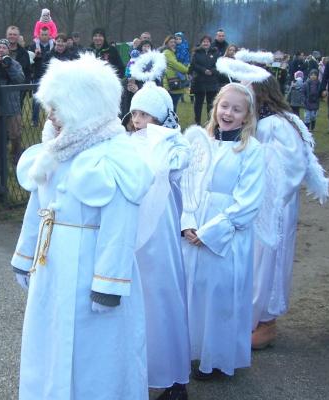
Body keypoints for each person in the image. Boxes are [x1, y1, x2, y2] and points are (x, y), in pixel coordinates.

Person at [11, 53, 153, 399]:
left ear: (84, 107)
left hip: (90, 268)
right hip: (52, 265)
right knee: (51, 337)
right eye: (51, 107)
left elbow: (120, 224)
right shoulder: (54, 150)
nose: (52, 116)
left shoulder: (113, 157)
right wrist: (24, 253)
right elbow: (39, 208)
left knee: (93, 349)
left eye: (60, 108)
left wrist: (108, 282)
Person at [180, 82, 264, 379]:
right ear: (215, 106)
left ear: (247, 116)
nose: (228, 113)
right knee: (193, 291)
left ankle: (216, 358)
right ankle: (192, 350)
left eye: (236, 109)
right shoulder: (200, 142)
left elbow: (247, 203)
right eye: (224, 106)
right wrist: (188, 222)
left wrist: (210, 232)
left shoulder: (252, 151)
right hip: (194, 231)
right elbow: (185, 183)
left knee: (219, 295)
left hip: (225, 237)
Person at [250, 75, 329, 350]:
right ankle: (251, 319)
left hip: (273, 207)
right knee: (255, 261)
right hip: (257, 205)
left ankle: (266, 323)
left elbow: (292, 165)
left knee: (269, 260)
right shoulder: (265, 121)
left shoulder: (276, 124)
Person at [127, 81, 191, 400]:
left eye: (145, 114)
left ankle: (172, 376)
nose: (138, 120)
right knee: (137, 303)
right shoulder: (128, 144)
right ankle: (137, 374)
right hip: (135, 235)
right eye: (134, 113)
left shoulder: (176, 147)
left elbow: (176, 171)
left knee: (162, 299)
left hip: (162, 237)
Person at [189, 35, 220, 125]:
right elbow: (194, 65)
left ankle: (210, 122)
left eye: (207, 42)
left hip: (212, 81)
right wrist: (204, 70)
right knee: (198, 103)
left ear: (210, 43)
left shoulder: (215, 52)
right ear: (201, 43)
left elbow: (218, 64)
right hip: (199, 81)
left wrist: (212, 71)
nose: (206, 43)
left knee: (211, 103)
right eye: (204, 41)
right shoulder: (196, 52)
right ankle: (197, 121)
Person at [162, 35, 189, 112]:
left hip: (175, 83)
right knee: (171, 107)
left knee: (174, 106)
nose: (173, 43)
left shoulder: (174, 52)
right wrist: (186, 69)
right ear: (166, 43)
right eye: (171, 42)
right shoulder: (167, 52)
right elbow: (174, 64)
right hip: (171, 83)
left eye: (174, 42)